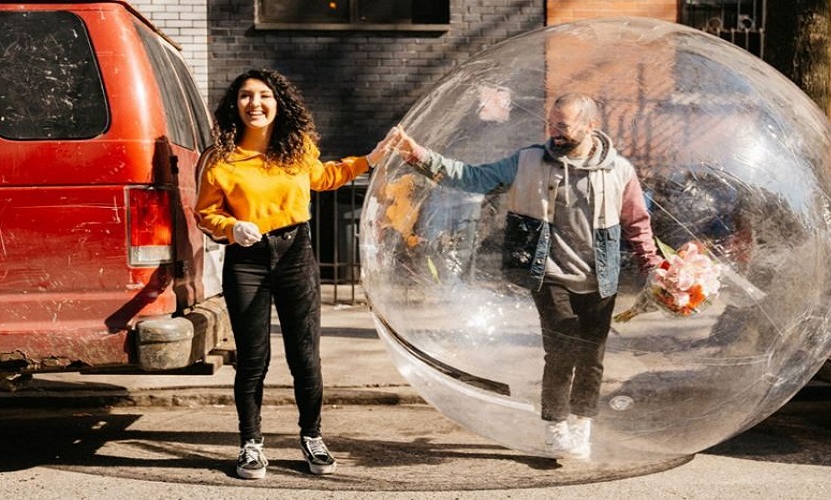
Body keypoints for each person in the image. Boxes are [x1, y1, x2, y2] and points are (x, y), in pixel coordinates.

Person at [382, 93, 661, 459]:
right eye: (551, 123)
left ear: (591, 126)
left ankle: (581, 422)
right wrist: (419, 156)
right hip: (548, 272)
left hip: (600, 277)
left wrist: (652, 265)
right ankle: (555, 425)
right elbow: (473, 177)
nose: (554, 132)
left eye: (563, 125)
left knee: (592, 356)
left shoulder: (619, 170)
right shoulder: (528, 161)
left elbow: (637, 222)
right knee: (562, 348)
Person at [195, 68, 390, 479]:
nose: (255, 104)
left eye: (264, 95)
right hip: (246, 258)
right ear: (235, 105)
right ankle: (251, 444)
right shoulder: (220, 158)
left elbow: (325, 177)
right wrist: (232, 227)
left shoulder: (296, 147)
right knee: (253, 359)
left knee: (305, 358)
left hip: (295, 254)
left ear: (278, 103)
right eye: (246, 96)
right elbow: (204, 213)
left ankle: (312, 437)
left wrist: (370, 160)